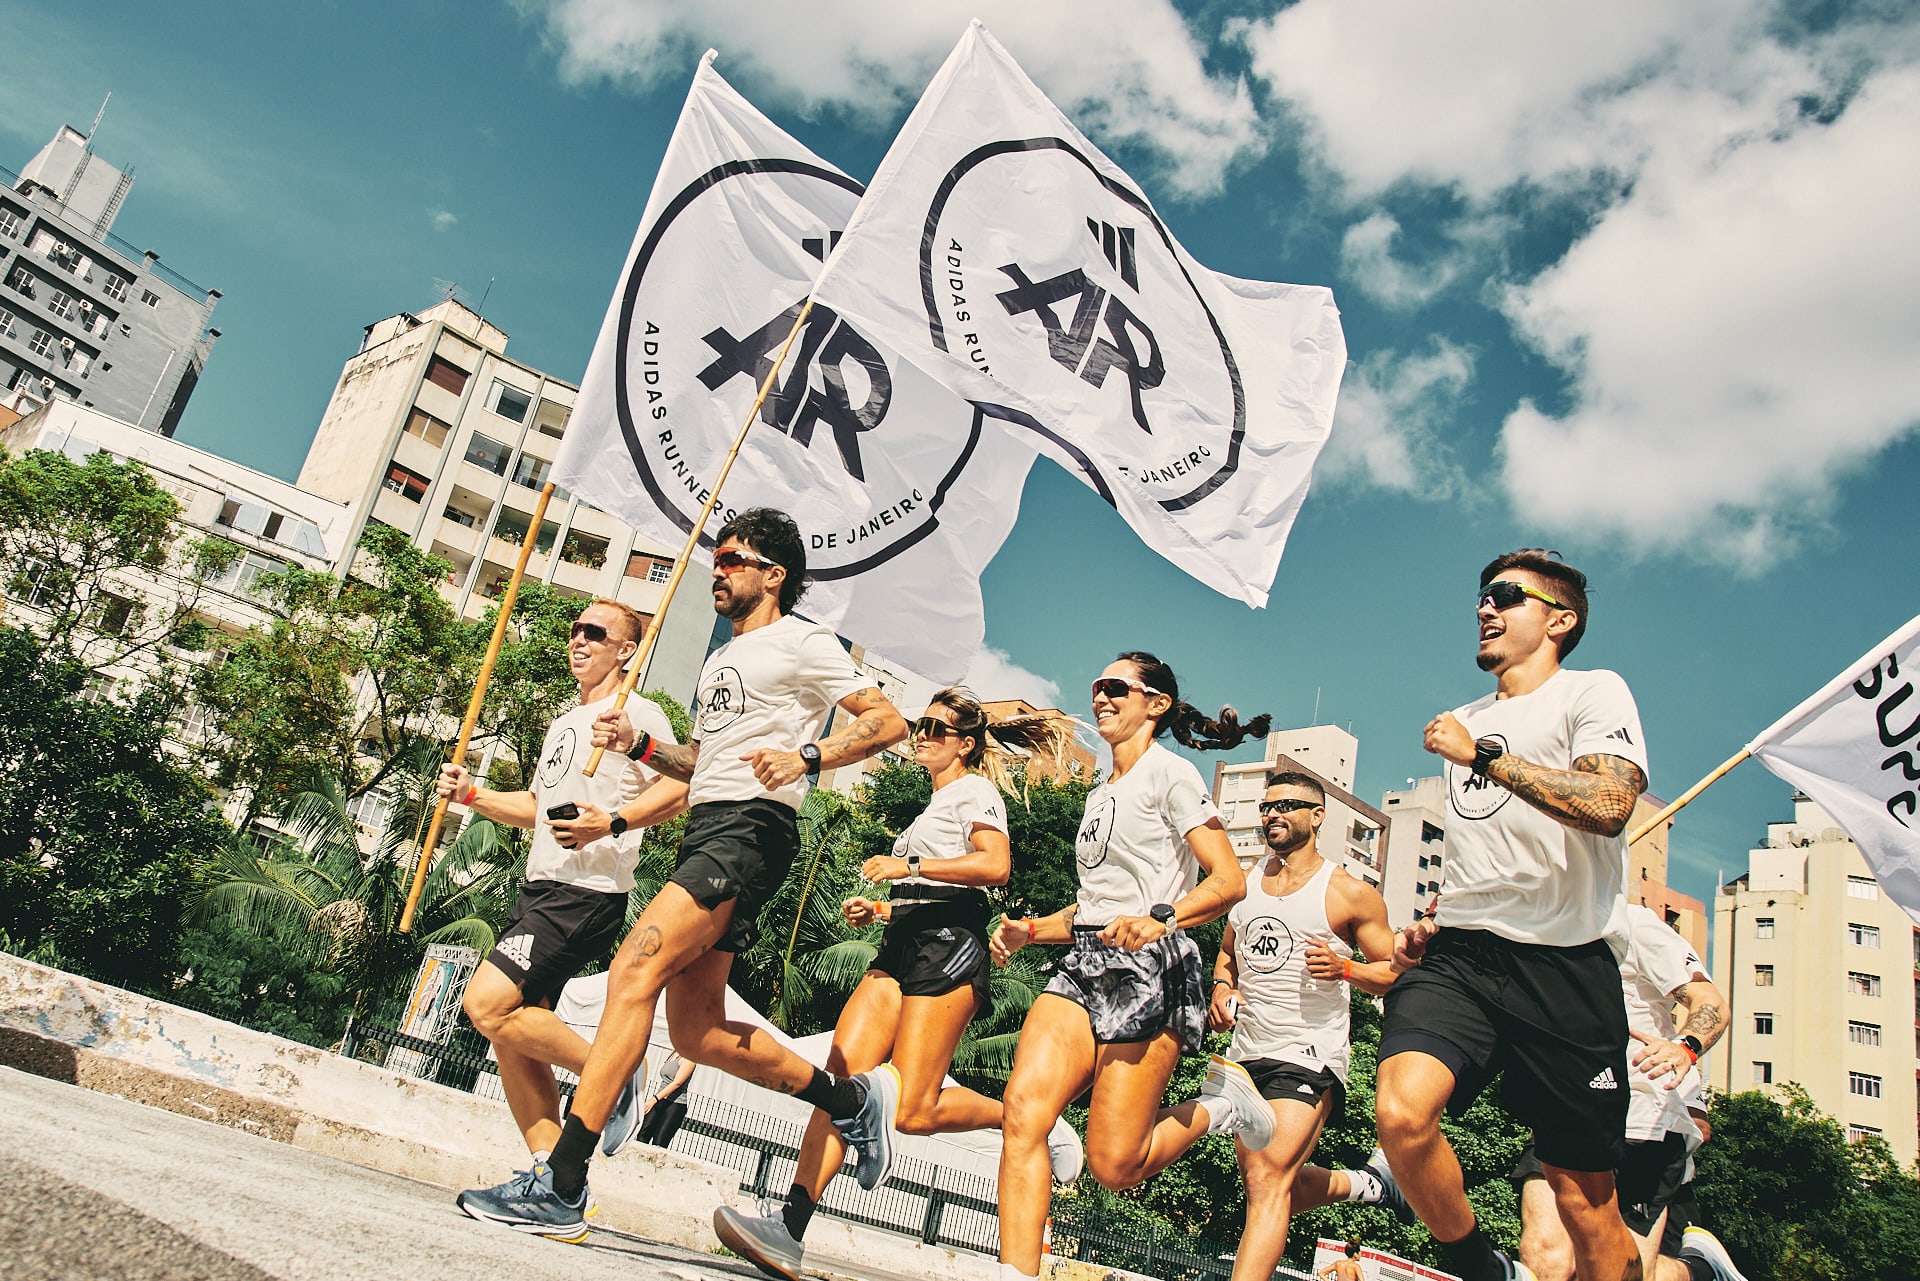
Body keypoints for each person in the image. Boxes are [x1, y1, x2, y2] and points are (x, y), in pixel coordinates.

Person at [455, 508, 908, 1243]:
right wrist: (641, 744)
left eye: (731, 558)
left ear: (774, 574)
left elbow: (887, 721)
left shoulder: (803, 640)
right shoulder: (722, 660)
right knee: (696, 1032)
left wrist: (810, 757)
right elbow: (702, 762)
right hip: (710, 823)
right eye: (715, 557)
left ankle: (562, 1181)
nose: (717, 569)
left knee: (635, 968)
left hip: (752, 830)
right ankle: (849, 1097)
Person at [715, 689, 1086, 1280]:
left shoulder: (976, 792)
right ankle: (789, 1229)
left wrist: (906, 868)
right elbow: (933, 892)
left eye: (937, 729)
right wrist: (882, 909)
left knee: (913, 1112)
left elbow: (994, 868)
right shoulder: (930, 806)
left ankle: (1028, 1117)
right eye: (920, 725)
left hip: (949, 951)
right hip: (902, 943)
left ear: (965, 744)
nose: (923, 735)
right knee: (840, 1084)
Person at [1377, 550, 1649, 1281]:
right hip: (1465, 958)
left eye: (1506, 595)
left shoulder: (1591, 693)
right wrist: (1438, 917)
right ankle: (1476, 1262)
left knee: (1584, 1201)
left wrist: (1485, 757)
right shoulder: (1462, 720)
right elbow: (1491, 846)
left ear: (1560, 620)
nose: (1484, 607)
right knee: (1402, 1114)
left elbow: (1609, 805)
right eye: (1481, 596)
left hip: (1564, 967)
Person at [990, 652, 1269, 1281]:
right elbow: (1094, 908)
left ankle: (1222, 1106)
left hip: (1151, 966)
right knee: (1023, 1112)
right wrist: (1032, 929)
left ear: (1157, 703)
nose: (1100, 697)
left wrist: (1161, 917)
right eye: (1096, 687)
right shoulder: (1100, 792)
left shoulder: (1172, 775)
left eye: (1116, 687)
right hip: (1083, 963)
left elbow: (1229, 881)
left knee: (1114, 1167)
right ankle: (1016, 1273)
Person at [439, 598, 686, 1237]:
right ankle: (554, 1183)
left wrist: (614, 821)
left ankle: (612, 1076)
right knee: (512, 1034)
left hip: (586, 894)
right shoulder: (565, 722)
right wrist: (473, 796)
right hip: (540, 888)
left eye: (596, 632)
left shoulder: (635, 713)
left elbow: (685, 785)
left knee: (485, 1006)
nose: (578, 639)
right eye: (574, 629)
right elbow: (539, 804)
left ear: (626, 650)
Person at [1212, 770, 1406, 1281]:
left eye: (1287, 805)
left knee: (1269, 1176)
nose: (1272, 814)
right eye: (1266, 806)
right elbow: (1226, 956)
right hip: (1245, 1053)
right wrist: (1220, 989)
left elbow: (1395, 975)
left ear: (1318, 816)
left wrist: (1347, 969)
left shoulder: (1348, 892)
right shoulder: (1246, 881)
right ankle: (1368, 1185)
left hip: (1308, 1052)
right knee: (1267, 1182)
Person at [1515, 905, 1744, 1281]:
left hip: (1642, 1118)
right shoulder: (1532, 926)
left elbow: (1711, 1002)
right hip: (1565, 1112)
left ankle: (1697, 1273)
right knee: (1547, 1260)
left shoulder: (1635, 924)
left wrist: (1685, 1047)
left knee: (1618, 1274)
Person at [637, 1051, 695, 1148]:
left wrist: (654, 1099)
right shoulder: (673, 1054)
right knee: (643, 1134)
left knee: (659, 1143)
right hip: (660, 1099)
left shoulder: (690, 1058)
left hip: (675, 1104)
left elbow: (677, 1083)